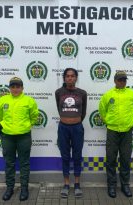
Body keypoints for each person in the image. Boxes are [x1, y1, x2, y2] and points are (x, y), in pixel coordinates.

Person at [0, 76, 39, 201]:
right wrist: (5, 126)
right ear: (9, 88)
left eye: (18, 87)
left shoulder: (29, 101)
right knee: (9, 163)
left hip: (24, 136)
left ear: (22, 88)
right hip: (7, 136)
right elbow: (0, 117)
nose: (15, 89)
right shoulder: (2, 100)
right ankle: (9, 188)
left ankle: (24, 188)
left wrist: (26, 126)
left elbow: (34, 116)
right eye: (13, 87)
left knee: (24, 163)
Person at [98, 71, 133, 198]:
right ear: (115, 81)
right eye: (120, 80)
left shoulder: (132, 94)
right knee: (111, 159)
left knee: (125, 159)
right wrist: (109, 123)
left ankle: (125, 185)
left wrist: (130, 122)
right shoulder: (108, 95)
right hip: (112, 131)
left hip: (127, 132)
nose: (122, 82)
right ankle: (111, 185)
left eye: (124, 80)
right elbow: (102, 111)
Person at [55, 68, 87, 198]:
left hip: (77, 128)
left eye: (72, 76)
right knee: (65, 155)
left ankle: (77, 184)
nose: (70, 78)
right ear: (64, 78)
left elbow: (83, 112)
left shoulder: (82, 93)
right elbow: (59, 108)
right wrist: (66, 120)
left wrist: (75, 121)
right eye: (67, 76)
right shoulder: (58, 92)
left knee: (77, 155)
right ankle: (66, 184)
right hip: (63, 128)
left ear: (76, 78)